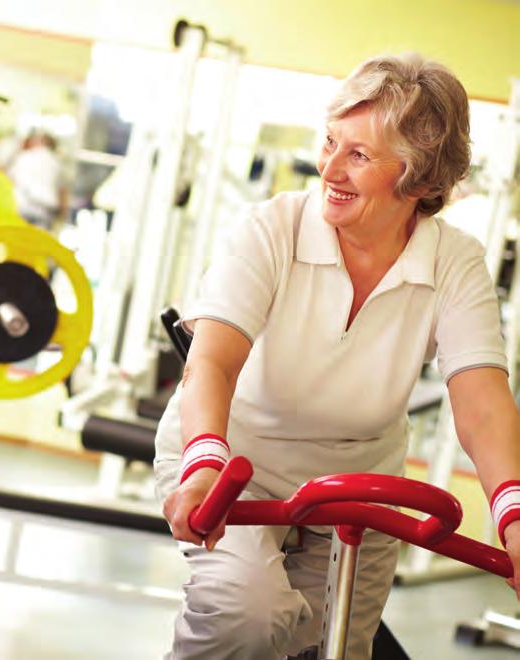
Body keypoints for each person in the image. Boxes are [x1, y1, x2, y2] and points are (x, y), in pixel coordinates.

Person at [154, 53, 520, 660]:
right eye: (331, 142)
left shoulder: (455, 260)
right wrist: (204, 465)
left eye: (359, 155)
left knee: (338, 643)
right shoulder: (272, 227)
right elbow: (212, 361)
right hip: (232, 458)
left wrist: (512, 509)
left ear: (423, 182)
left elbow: (482, 402)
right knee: (248, 615)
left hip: (358, 480)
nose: (329, 167)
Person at [5, 130, 69, 230]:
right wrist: (62, 216)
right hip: (45, 213)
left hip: (22, 210)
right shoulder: (57, 162)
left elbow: (7, 179)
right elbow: (63, 193)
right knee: (37, 243)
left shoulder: (24, 157)